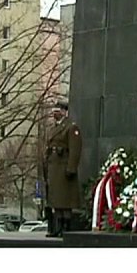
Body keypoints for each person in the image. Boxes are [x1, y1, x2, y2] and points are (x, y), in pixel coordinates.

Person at [43, 99, 82, 237]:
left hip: (63, 167)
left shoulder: (71, 128)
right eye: (54, 111)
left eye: (58, 111)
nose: (55, 114)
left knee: (64, 201)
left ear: (65, 112)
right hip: (54, 168)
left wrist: (71, 167)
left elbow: (75, 149)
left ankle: (65, 228)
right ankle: (57, 227)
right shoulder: (54, 128)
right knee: (56, 201)